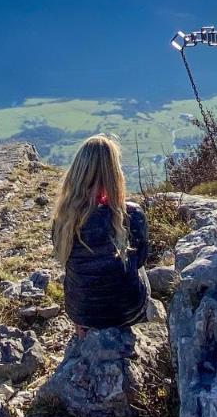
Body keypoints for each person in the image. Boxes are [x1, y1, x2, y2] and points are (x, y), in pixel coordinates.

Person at [51, 134, 149, 334]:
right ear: (115, 173)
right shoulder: (132, 214)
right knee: (140, 270)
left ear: (77, 172)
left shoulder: (62, 219)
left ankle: (84, 332)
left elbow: (64, 259)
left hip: (81, 313)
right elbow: (140, 260)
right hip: (129, 312)